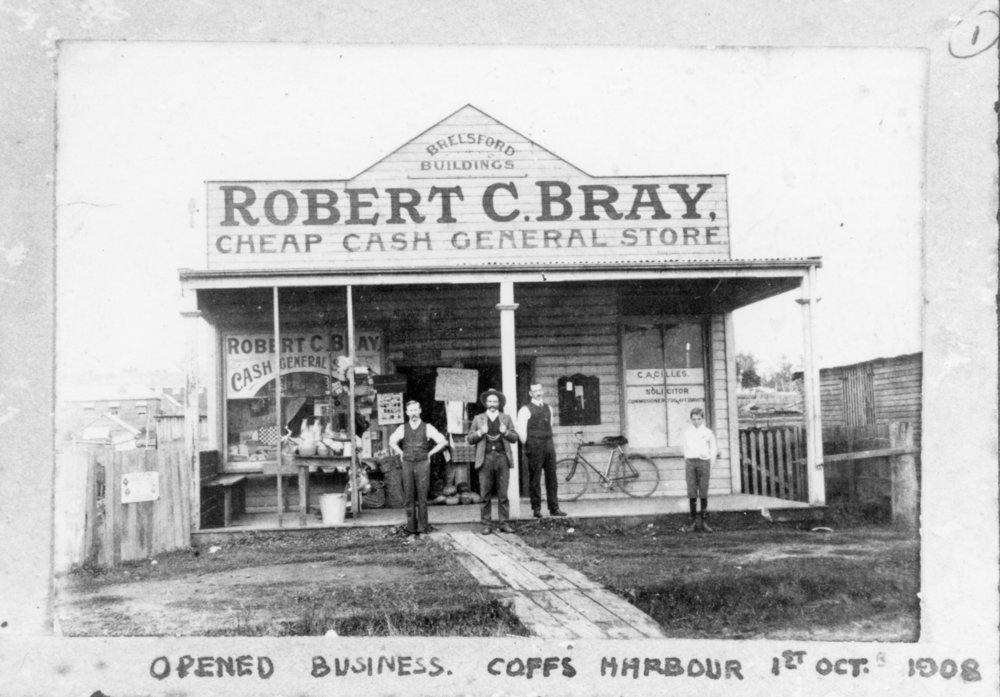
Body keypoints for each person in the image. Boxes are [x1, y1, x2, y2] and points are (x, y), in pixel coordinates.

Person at [389, 400, 448, 543]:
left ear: (420, 411)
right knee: (409, 496)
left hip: (422, 463)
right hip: (407, 463)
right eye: (411, 410)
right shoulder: (402, 428)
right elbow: (392, 441)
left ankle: (423, 529)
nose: (413, 413)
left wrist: (429, 454)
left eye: (416, 410)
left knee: (422, 496)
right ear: (407, 412)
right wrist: (401, 453)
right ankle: (411, 529)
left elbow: (443, 441)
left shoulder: (427, 427)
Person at [467, 388, 519, 535]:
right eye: (489, 401)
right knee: (485, 494)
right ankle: (486, 524)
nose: (492, 404)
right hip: (485, 458)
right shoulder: (478, 419)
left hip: (502, 458)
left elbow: (514, 438)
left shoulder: (506, 418)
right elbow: (470, 439)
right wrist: (480, 432)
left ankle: (504, 523)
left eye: (495, 401)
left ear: (499, 403)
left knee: (503, 494)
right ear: (485, 403)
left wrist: (505, 432)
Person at [516, 383, 567, 518]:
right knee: (535, 478)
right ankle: (536, 509)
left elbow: (550, 425)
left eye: (539, 390)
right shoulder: (525, 410)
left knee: (552, 476)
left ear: (542, 391)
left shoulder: (548, 408)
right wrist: (529, 444)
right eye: (535, 391)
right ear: (530, 393)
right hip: (534, 445)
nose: (538, 393)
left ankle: (554, 508)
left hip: (548, 444)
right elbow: (521, 431)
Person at [682, 407, 718, 532]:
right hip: (690, 463)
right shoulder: (687, 434)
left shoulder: (708, 433)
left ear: (702, 419)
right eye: (694, 419)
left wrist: (709, 465)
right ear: (691, 419)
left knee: (703, 491)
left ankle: (704, 522)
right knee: (692, 492)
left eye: (698, 419)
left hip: (704, 463)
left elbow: (713, 450)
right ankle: (693, 523)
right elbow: (685, 449)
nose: (696, 421)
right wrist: (688, 461)